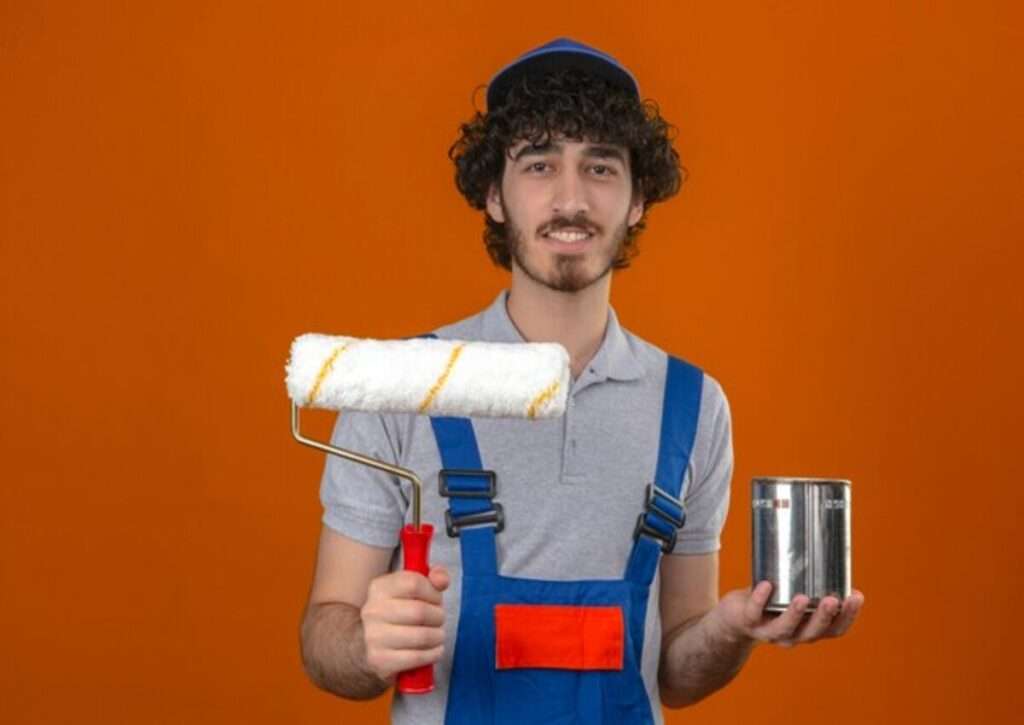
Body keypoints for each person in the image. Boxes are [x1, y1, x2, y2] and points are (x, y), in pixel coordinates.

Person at [299, 38, 864, 724]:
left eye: (600, 166)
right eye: (539, 165)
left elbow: (677, 673)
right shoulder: (404, 389)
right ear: (494, 195)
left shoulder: (692, 407)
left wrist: (731, 628)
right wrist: (365, 642)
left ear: (636, 200)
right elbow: (324, 641)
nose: (571, 199)